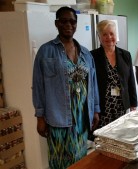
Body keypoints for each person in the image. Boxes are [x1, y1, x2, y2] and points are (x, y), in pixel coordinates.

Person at [32, 6, 100, 169]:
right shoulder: (45, 51)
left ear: (76, 24)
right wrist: (40, 117)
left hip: (82, 117)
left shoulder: (85, 53)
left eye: (72, 21)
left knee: (79, 159)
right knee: (59, 161)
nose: (68, 25)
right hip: (57, 117)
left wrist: (95, 110)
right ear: (57, 23)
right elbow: (38, 86)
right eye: (63, 21)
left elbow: (93, 83)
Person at [90, 20, 137, 128]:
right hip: (102, 107)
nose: (109, 37)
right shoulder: (92, 56)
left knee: (120, 134)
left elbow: (131, 80)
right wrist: (93, 109)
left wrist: (133, 104)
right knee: (103, 137)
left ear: (116, 35)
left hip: (121, 105)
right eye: (104, 34)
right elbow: (91, 85)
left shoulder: (126, 55)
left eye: (111, 33)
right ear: (99, 37)